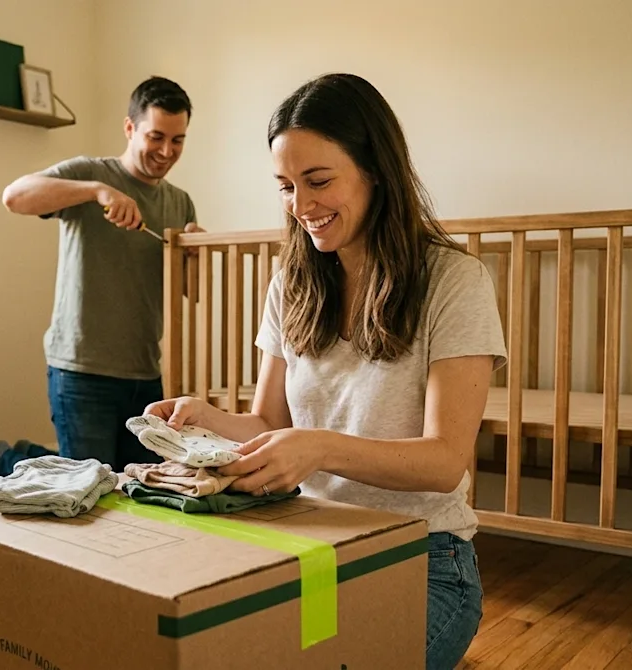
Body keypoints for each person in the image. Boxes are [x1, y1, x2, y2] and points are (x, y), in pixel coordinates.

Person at [144, 73, 506, 670]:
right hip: (307, 540)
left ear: (376, 170)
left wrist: (318, 449)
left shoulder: (454, 282)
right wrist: (203, 419)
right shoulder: (292, 283)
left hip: (423, 559)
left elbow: (445, 462)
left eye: (318, 181)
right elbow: (267, 421)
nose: (301, 206)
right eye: (286, 186)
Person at [0, 76, 204, 496]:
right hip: (81, 368)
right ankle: (6, 461)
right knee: (85, 486)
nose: (167, 151)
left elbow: (191, 294)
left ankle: (20, 456)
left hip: (145, 371)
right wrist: (95, 192)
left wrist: (194, 254)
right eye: (156, 137)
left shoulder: (179, 202)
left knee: (136, 486)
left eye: (179, 140)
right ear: (130, 129)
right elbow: (14, 196)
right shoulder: (91, 175)